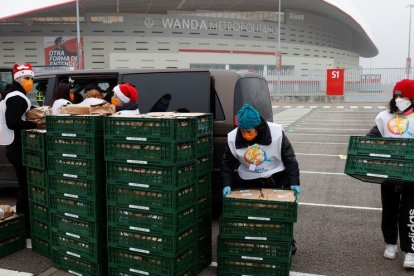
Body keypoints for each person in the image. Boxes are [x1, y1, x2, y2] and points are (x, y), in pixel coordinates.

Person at [220, 104, 301, 253]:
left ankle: (286, 241)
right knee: (253, 214)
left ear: (258, 127)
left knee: (277, 213)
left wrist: (294, 182)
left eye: (249, 131)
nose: (245, 135)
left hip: (276, 177)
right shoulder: (233, 138)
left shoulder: (276, 133)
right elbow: (226, 163)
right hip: (250, 179)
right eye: (242, 131)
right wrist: (227, 184)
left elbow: (290, 159)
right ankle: (254, 244)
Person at [367, 79, 414, 268]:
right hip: (388, 172)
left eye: (403, 96)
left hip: (411, 174)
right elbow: (371, 137)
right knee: (389, 209)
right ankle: (390, 243)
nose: (399, 99)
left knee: (409, 211)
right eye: (397, 95)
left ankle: (410, 251)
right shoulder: (384, 117)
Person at [0, 64, 38, 236]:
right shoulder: (17, 97)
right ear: (18, 79)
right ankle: (26, 227)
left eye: (32, 79)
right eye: (27, 78)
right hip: (16, 145)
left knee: (24, 185)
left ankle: (26, 224)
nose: (31, 82)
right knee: (25, 186)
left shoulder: (12, 94)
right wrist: (33, 124)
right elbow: (12, 122)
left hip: (12, 145)